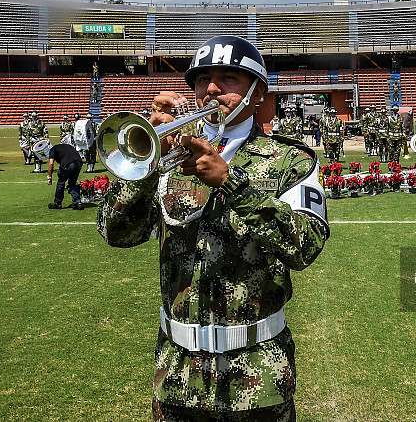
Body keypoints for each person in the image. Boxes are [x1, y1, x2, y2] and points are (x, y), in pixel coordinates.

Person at [96, 35, 329, 421]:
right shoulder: (173, 156)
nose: (212, 89)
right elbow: (116, 232)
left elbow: (306, 246)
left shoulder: (291, 160)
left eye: (229, 78)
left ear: (258, 93)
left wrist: (231, 182)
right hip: (176, 377)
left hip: (259, 377)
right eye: (202, 79)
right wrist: (146, 164)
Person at [47, 142, 84, 210]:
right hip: (79, 162)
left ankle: (57, 203)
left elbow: (51, 164)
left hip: (68, 163)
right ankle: (77, 203)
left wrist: (49, 177)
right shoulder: (66, 146)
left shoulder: (52, 150)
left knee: (61, 182)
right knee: (73, 182)